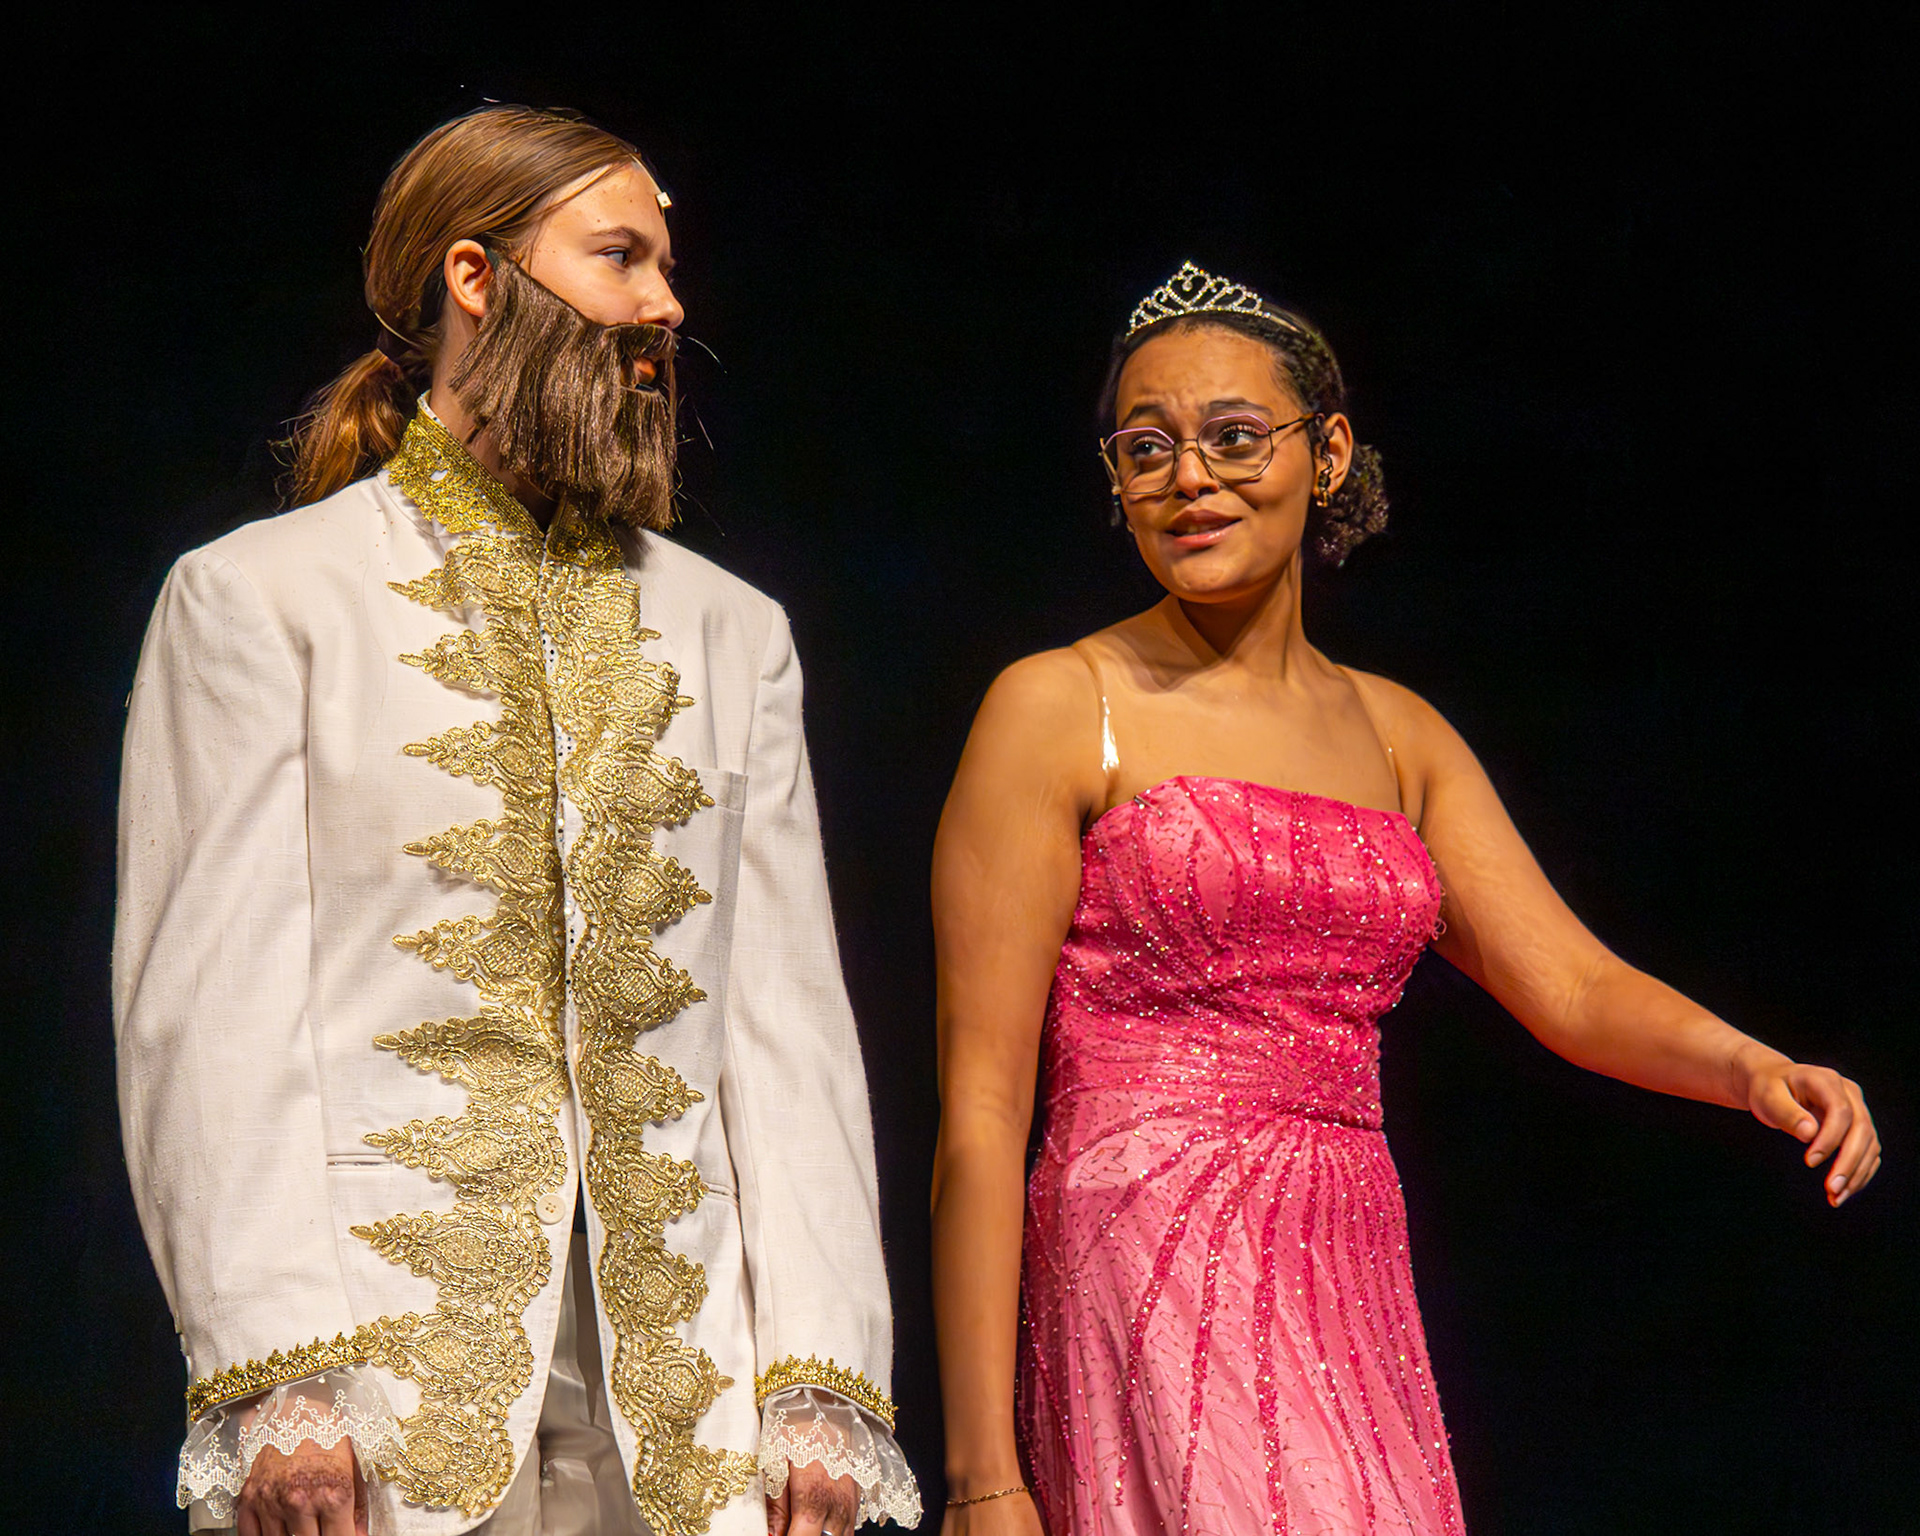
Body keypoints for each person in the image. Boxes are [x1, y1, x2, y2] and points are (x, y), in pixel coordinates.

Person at [927, 263, 1880, 1534]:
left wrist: (1750, 1067)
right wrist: (983, 1477)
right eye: (1147, 450)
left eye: (1233, 437)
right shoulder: (1059, 705)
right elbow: (985, 1107)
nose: (1190, 478)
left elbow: (1573, 984)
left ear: (1326, 455)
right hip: (1142, 1247)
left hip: (1343, 1261)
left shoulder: (1398, 735)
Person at [114, 105, 920, 1536]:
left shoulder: (733, 632)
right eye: (620, 258)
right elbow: (211, 1018)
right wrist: (279, 1369)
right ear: (475, 278)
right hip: (380, 1399)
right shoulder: (262, 600)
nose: (665, 306)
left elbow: (786, 1028)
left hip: (689, 1415)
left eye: (664, 266)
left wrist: (821, 1380)